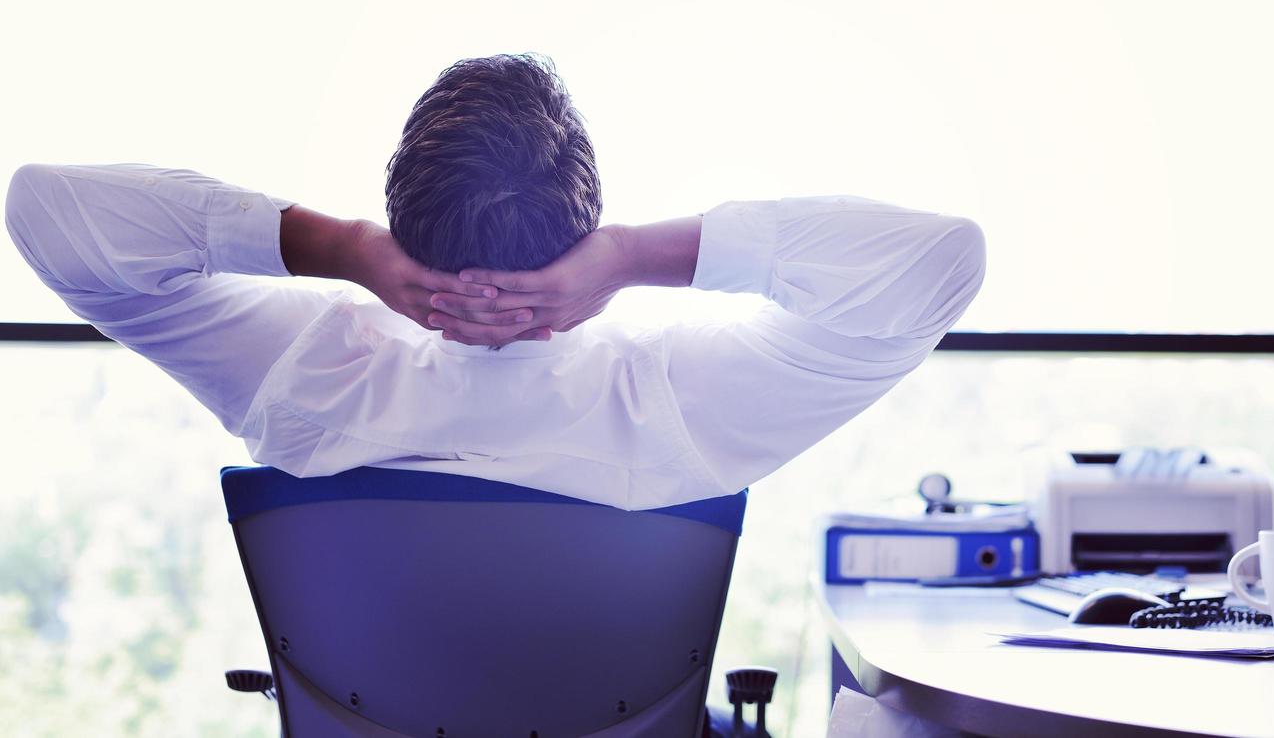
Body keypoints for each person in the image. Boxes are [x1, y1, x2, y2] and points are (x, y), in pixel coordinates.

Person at [5, 54, 985, 510]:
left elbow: (45, 211)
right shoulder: (678, 403)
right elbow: (940, 264)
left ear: (401, 221)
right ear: (583, 226)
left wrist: (342, 248)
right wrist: (638, 255)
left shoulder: (309, 376)